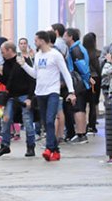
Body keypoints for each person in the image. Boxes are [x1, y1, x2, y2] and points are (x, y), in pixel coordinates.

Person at [19, 31, 75, 162]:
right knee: (45, 122)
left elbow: (65, 73)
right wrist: (24, 65)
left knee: (50, 120)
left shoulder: (55, 55)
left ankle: (49, 148)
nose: (34, 43)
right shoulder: (38, 55)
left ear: (42, 40)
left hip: (53, 92)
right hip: (40, 92)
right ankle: (55, 150)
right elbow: (35, 74)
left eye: (36, 40)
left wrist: (71, 91)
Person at [0, 41, 37, 158]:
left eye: (3, 52)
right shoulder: (5, 64)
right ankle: (5, 145)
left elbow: (32, 80)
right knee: (6, 119)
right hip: (12, 96)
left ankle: (31, 146)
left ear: (9, 51)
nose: (2, 54)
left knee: (27, 120)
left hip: (24, 95)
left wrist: (30, 98)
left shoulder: (22, 61)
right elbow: (8, 82)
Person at [64, 27, 91, 143]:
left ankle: (81, 134)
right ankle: (80, 134)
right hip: (81, 81)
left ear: (70, 37)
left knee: (79, 108)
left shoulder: (75, 50)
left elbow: (82, 67)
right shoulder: (76, 48)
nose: (64, 38)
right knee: (79, 107)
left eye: (65, 36)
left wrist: (86, 79)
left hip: (79, 82)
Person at [82, 33, 101, 134]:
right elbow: (98, 68)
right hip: (95, 78)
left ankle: (82, 125)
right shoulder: (97, 54)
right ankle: (92, 125)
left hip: (84, 78)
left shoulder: (81, 53)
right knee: (93, 103)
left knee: (83, 103)